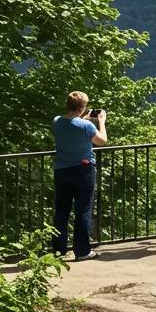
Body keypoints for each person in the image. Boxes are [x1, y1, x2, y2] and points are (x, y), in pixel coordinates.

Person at [51, 91, 107, 261]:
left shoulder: (56, 121)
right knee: (82, 210)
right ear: (83, 107)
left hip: (61, 170)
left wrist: (84, 119)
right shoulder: (87, 126)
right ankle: (82, 251)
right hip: (83, 170)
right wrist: (101, 122)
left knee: (61, 211)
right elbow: (102, 141)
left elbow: (70, 128)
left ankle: (58, 252)